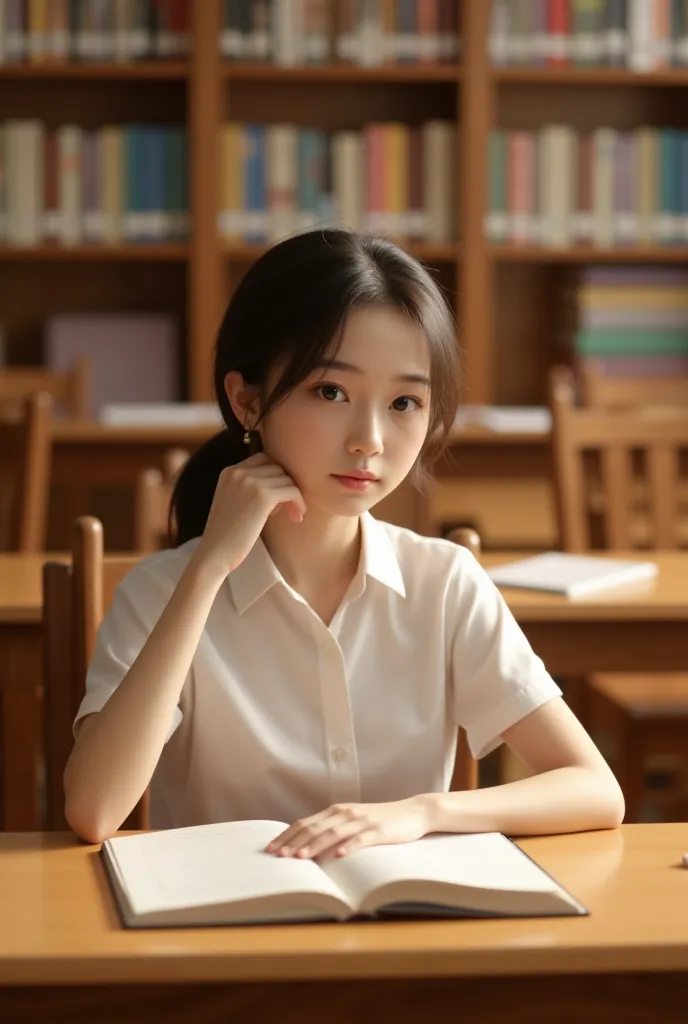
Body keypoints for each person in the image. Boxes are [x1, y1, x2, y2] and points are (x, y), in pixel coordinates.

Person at [64, 229, 624, 852]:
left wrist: (420, 813)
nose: (370, 439)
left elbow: (595, 788)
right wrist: (207, 570)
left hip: (400, 929)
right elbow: (94, 811)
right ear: (247, 400)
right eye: (330, 391)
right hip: (220, 936)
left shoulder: (443, 582)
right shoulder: (159, 591)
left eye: (404, 401)